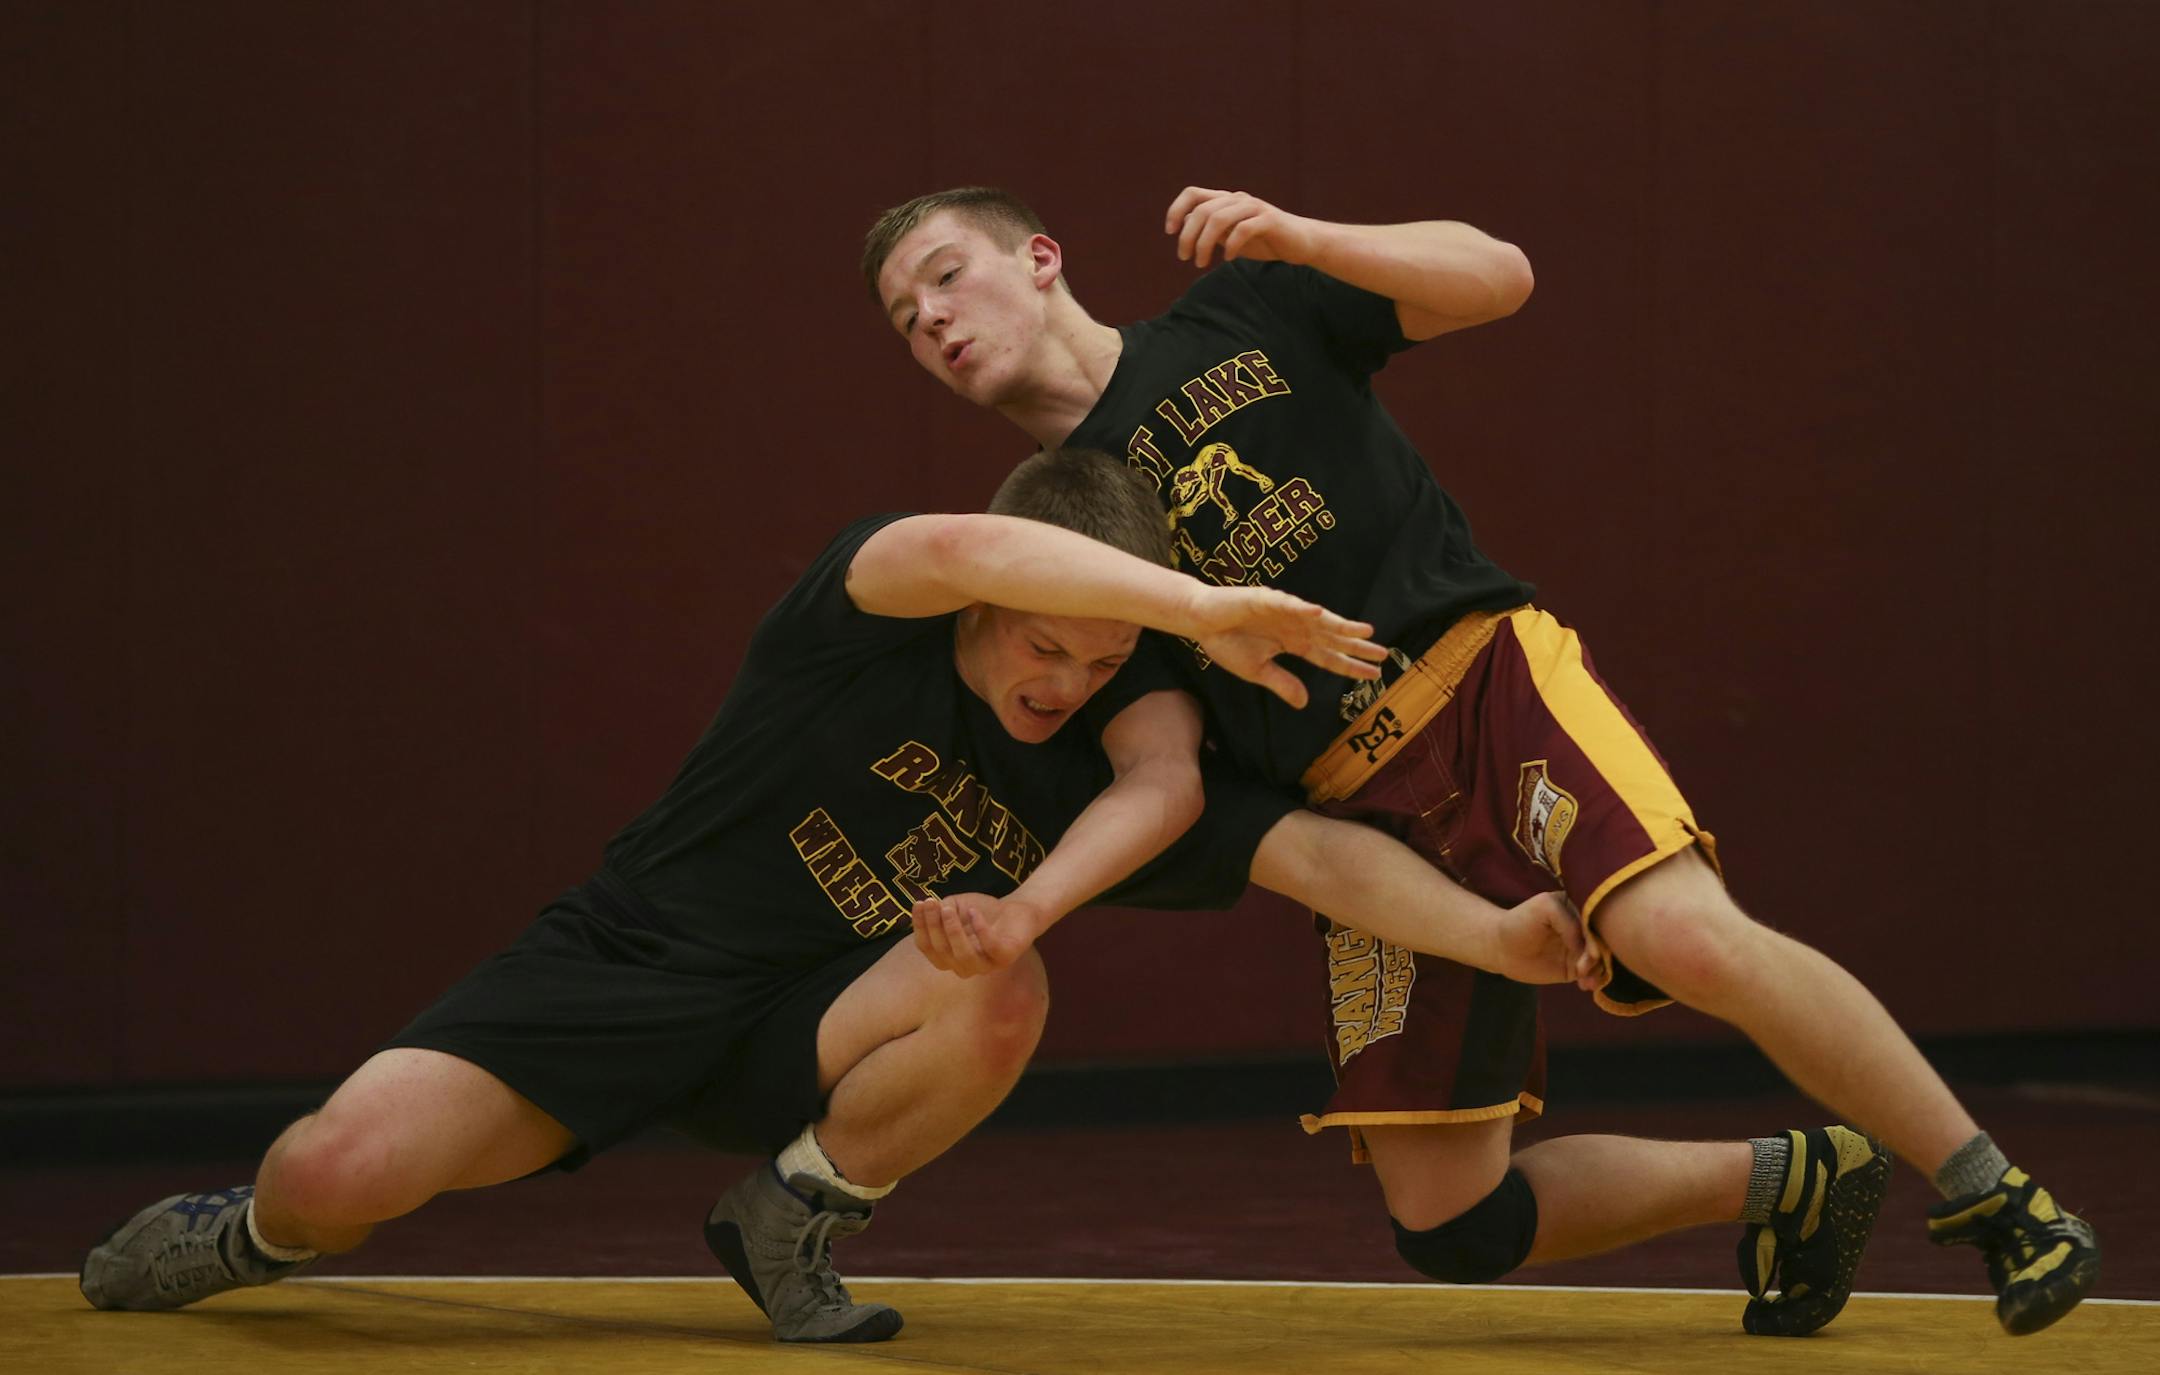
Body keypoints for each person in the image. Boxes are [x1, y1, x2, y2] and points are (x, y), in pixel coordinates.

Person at [863, 187, 2102, 1337]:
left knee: (1685, 935)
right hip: (1360, 812)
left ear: (1039, 259)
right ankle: (1794, 1177)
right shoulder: (1047, 534)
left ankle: (1998, 1194)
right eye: (905, 318)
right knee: (1453, 1223)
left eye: (945, 275)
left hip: (1485, 686)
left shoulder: (1243, 308)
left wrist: (1304, 234)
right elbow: (1162, 766)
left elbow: (1498, 276)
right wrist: (1026, 895)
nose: (929, 317)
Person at [78, 449, 1593, 1345]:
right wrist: (1199, 604)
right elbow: (952, 537)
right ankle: (254, 1228)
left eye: (1101, 660)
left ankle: (787, 1216)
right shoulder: (863, 614)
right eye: (1043, 645)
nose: (1065, 681)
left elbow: (1222, 812)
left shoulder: (1119, 726)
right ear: (988, 608)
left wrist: (1495, 932)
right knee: (337, 1169)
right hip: (627, 961)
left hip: (805, 1025)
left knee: (1007, 986)